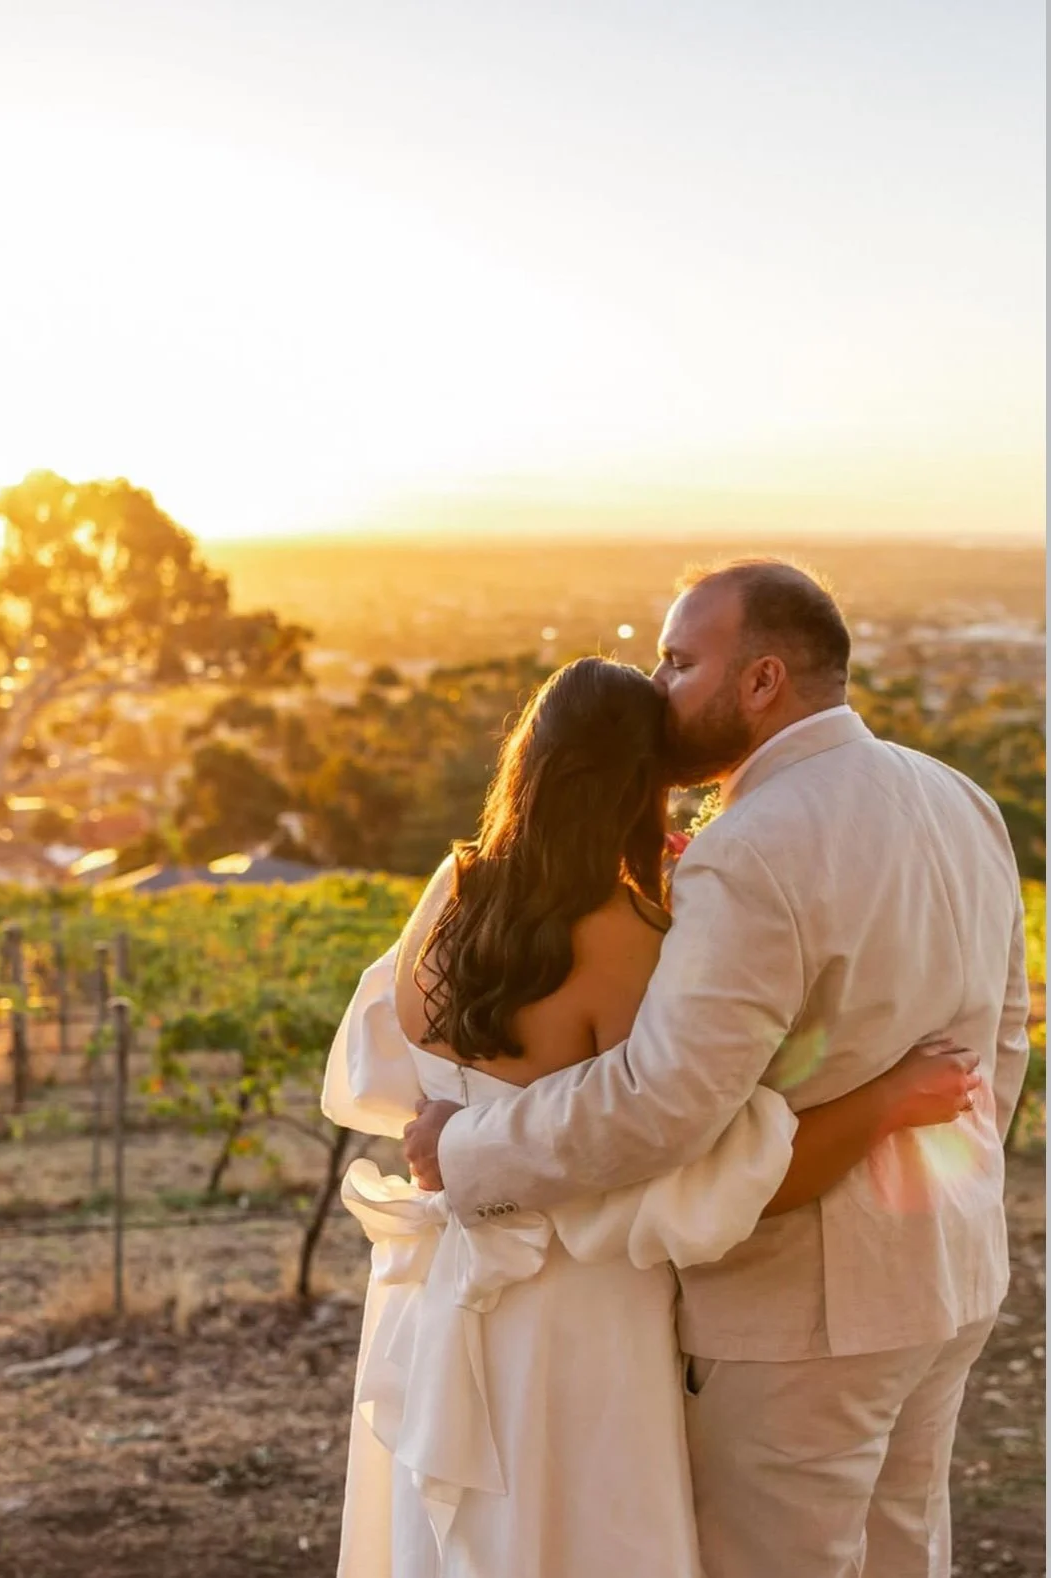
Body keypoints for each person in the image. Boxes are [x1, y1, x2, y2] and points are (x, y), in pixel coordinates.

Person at [404, 560, 1030, 1578]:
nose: (659, 686)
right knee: (903, 1559)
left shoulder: (752, 848)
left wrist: (466, 1146)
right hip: (950, 1279)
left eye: (681, 660)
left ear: (763, 680)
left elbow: (660, 1103)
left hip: (799, 1313)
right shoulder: (960, 800)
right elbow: (1001, 1038)